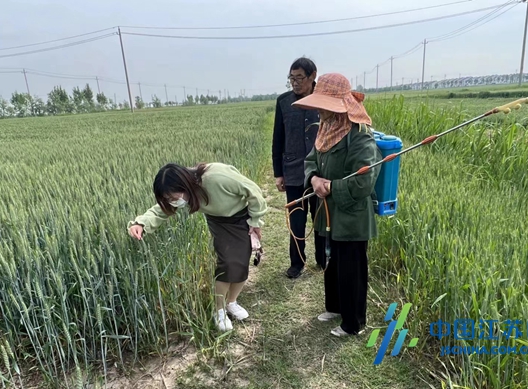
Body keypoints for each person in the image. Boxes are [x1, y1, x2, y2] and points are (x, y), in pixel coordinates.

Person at [127, 162, 268, 332]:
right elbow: (160, 211)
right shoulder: (182, 194)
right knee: (228, 263)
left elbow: (253, 192)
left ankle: (232, 302)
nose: (173, 202)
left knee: (242, 261)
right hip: (218, 221)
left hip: (242, 216)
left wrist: (255, 221)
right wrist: (141, 223)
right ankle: (219, 310)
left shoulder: (216, 177)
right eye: (168, 199)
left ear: (185, 184)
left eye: (173, 197)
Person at [292, 73, 382, 337]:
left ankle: (353, 323)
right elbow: (310, 161)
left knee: (351, 267)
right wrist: (314, 178)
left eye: (325, 105)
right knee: (330, 261)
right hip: (328, 213)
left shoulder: (360, 137)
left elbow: (364, 182)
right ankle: (334, 307)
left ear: (340, 106)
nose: (320, 110)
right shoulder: (325, 131)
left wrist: (330, 186)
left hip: (352, 216)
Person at [272, 56, 326, 279]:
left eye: (299, 78)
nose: (294, 82)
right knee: (296, 221)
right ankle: (297, 263)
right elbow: (278, 139)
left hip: (321, 173)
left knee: (321, 220)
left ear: (313, 76)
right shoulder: (284, 102)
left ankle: (323, 260)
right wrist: (278, 173)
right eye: (291, 78)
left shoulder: (324, 100)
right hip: (293, 172)